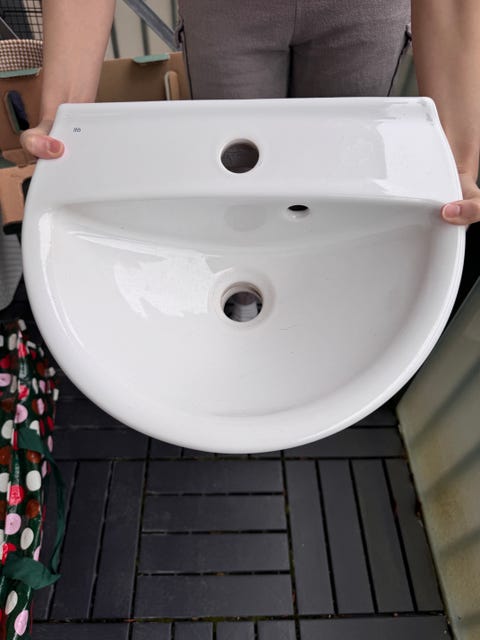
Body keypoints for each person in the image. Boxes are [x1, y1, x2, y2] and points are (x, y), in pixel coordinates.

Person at [20, 0, 480, 226]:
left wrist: (456, 163)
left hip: (362, 13)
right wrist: (63, 120)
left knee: (342, 190)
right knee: (234, 185)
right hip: (227, 13)